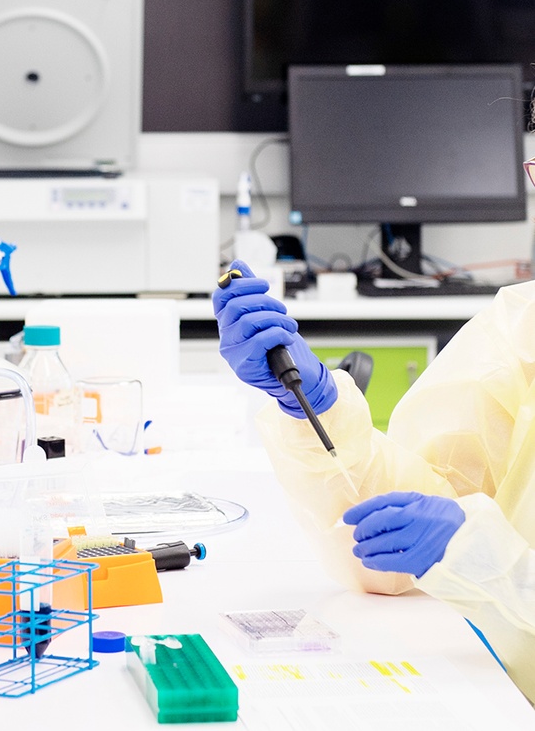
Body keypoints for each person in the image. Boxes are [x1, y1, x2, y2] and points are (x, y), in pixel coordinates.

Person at [213, 259, 535, 704]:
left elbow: (463, 547)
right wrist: (316, 408)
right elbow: (407, 529)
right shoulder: (521, 326)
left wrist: (484, 558)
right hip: (497, 694)